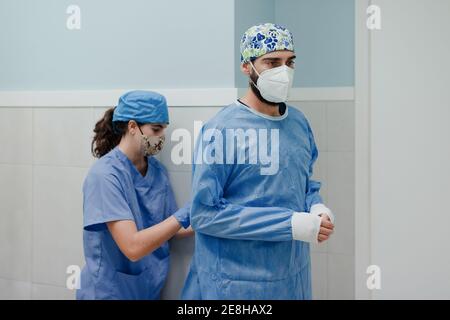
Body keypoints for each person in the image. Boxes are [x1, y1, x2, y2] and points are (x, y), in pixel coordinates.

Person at [181, 23, 335, 300]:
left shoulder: (298, 122)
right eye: (272, 62)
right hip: (236, 284)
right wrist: (288, 224)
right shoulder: (222, 131)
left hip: (292, 276)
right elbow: (204, 215)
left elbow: (303, 181)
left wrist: (316, 206)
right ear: (246, 66)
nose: (283, 72)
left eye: (290, 62)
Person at [77, 90, 193, 300]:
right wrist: (186, 213)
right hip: (110, 293)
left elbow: (171, 228)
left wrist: (206, 215)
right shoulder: (105, 176)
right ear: (132, 127)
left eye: (163, 130)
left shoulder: (158, 172)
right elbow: (132, 246)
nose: (161, 137)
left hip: (147, 291)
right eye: (156, 130)